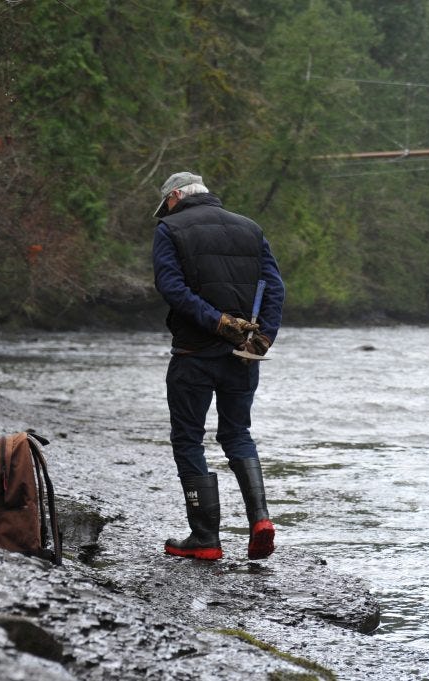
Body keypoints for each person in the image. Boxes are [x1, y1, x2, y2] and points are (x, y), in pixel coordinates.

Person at [151, 171, 285, 561]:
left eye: (167, 204)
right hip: (243, 355)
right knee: (237, 432)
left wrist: (215, 322)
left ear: (175, 196)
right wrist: (265, 336)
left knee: (189, 439)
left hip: (194, 354)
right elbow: (275, 286)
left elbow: (172, 288)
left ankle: (206, 538)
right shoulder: (250, 228)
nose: (167, 211)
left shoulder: (169, 229)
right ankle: (260, 519)